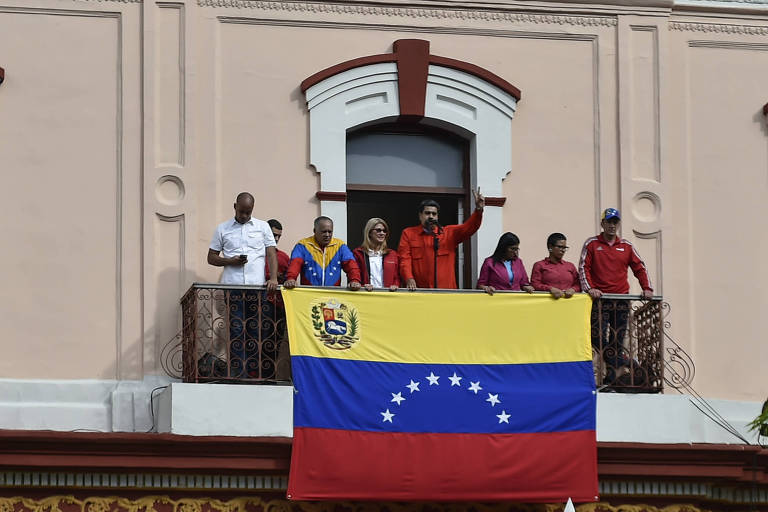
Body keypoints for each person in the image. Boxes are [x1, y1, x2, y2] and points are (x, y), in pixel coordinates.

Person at [578, 208, 653, 385]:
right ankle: (627, 363)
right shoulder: (592, 244)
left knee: (617, 340)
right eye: (609, 222)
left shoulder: (626, 246)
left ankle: (610, 378)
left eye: (615, 222)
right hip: (600, 301)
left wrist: (647, 288)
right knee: (597, 337)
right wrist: (590, 289)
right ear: (602, 223)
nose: (612, 225)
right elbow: (583, 268)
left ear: (618, 224)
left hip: (621, 300)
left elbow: (639, 268)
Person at [207, 192, 278, 379]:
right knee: (237, 329)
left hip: (256, 288)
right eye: (241, 212)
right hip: (234, 287)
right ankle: (240, 372)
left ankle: (255, 371)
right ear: (234, 207)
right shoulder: (222, 228)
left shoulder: (263, 227)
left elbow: (271, 253)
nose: (245, 216)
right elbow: (211, 258)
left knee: (257, 330)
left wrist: (273, 279)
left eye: (248, 212)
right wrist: (231, 261)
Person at [398, 188, 485, 290]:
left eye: (434, 214)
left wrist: (478, 210)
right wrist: (409, 278)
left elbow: (469, 227)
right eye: (427, 213)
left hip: (446, 292)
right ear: (420, 215)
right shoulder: (408, 234)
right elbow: (404, 259)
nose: (431, 216)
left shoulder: (449, 233)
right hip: (419, 291)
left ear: (437, 216)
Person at [284, 216, 362, 290]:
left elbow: (351, 265)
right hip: (309, 294)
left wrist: (354, 280)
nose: (327, 235)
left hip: (332, 296)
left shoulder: (340, 246)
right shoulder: (303, 245)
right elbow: (295, 264)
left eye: (330, 232)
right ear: (314, 231)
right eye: (324, 232)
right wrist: (291, 278)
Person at [353, 218, 400, 291]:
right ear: (369, 232)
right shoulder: (359, 253)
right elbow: (355, 276)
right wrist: (363, 286)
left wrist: (395, 285)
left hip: (388, 295)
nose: (382, 233)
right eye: (378, 230)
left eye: (384, 231)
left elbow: (397, 276)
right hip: (367, 295)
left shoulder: (392, 254)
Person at [531, 233, 581, 299]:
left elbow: (578, 284)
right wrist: (550, 289)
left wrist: (573, 289)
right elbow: (535, 284)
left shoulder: (570, 266)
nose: (563, 250)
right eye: (560, 247)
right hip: (547, 303)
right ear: (550, 247)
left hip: (569, 303)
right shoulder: (539, 265)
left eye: (564, 248)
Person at [265, 219, 290, 284]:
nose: (276, 239)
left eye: (279, 236)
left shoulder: (284, 257)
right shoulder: (254, 254)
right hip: (254, 292)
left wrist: (282, 277)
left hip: (276, 293)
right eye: (274, 235)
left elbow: (289, 278)